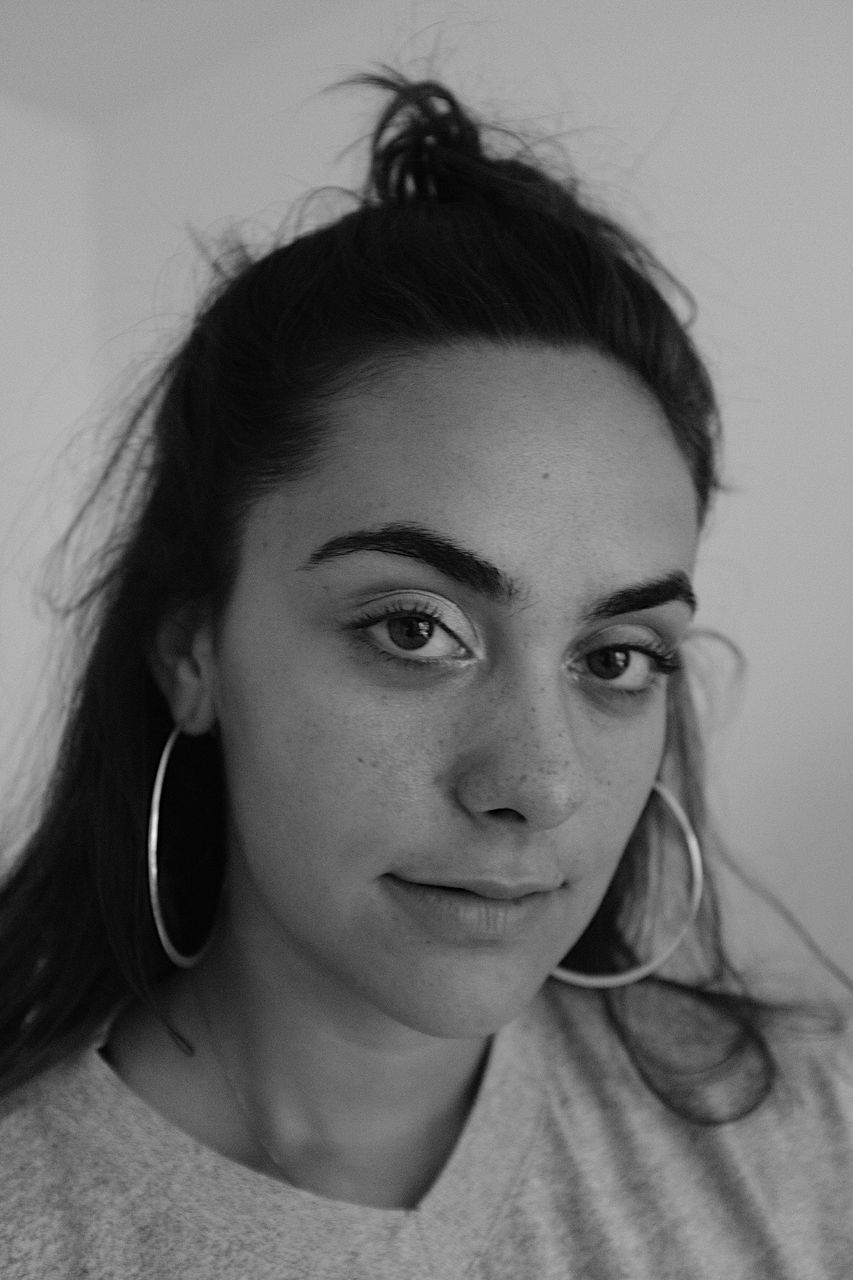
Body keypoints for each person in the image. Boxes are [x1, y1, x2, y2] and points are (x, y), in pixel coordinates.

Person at [0, 71, 850, 1279]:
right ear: (192, 652)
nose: (536, 782)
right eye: (413, 628)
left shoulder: (806, 1124)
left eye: (615, 657)